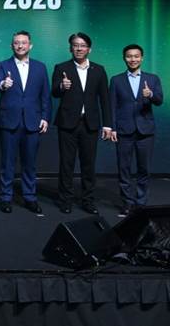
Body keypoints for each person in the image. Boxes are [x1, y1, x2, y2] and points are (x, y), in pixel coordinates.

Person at [51, 32, 112, 215]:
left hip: (90, 124)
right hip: (67, 123)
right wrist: (62, 86)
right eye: (75, 45)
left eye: (83, 45)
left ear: (89, 49)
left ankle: (88, 201)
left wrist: (107, 125)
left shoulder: (99, 70)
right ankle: (65, 200)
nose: (79, 48)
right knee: (66, 164)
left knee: (88, 165)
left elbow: (105, 99)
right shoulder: (61, 67)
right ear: (70, 48)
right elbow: (54, 92)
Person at [0, 30, 51, 214]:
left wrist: (45, 117)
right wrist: (3, 84)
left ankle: (30, 197)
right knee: (7, 163)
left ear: (30, 45)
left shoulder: (40, 67)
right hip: (9, 121)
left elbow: (45, 95)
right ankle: (5, 197)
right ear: (12, 46)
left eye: (23, 43)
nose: (20, 46)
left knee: (30, 163)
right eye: (16, 43)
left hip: (33, 121)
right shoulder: (2, 65)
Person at [109, 44, 164, 216]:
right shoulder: (116, 80)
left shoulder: (152, 79)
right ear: (124, 58)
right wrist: (112, 128)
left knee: (144, 169)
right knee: (124, 169)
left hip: (145, 131)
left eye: (136, 56)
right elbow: (112, 106)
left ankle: (141, 203)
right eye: (129, 56)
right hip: (123, 130)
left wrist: (151, 95)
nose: (133, 59)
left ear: (142, 58)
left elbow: (159, 100)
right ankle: (127, 203)